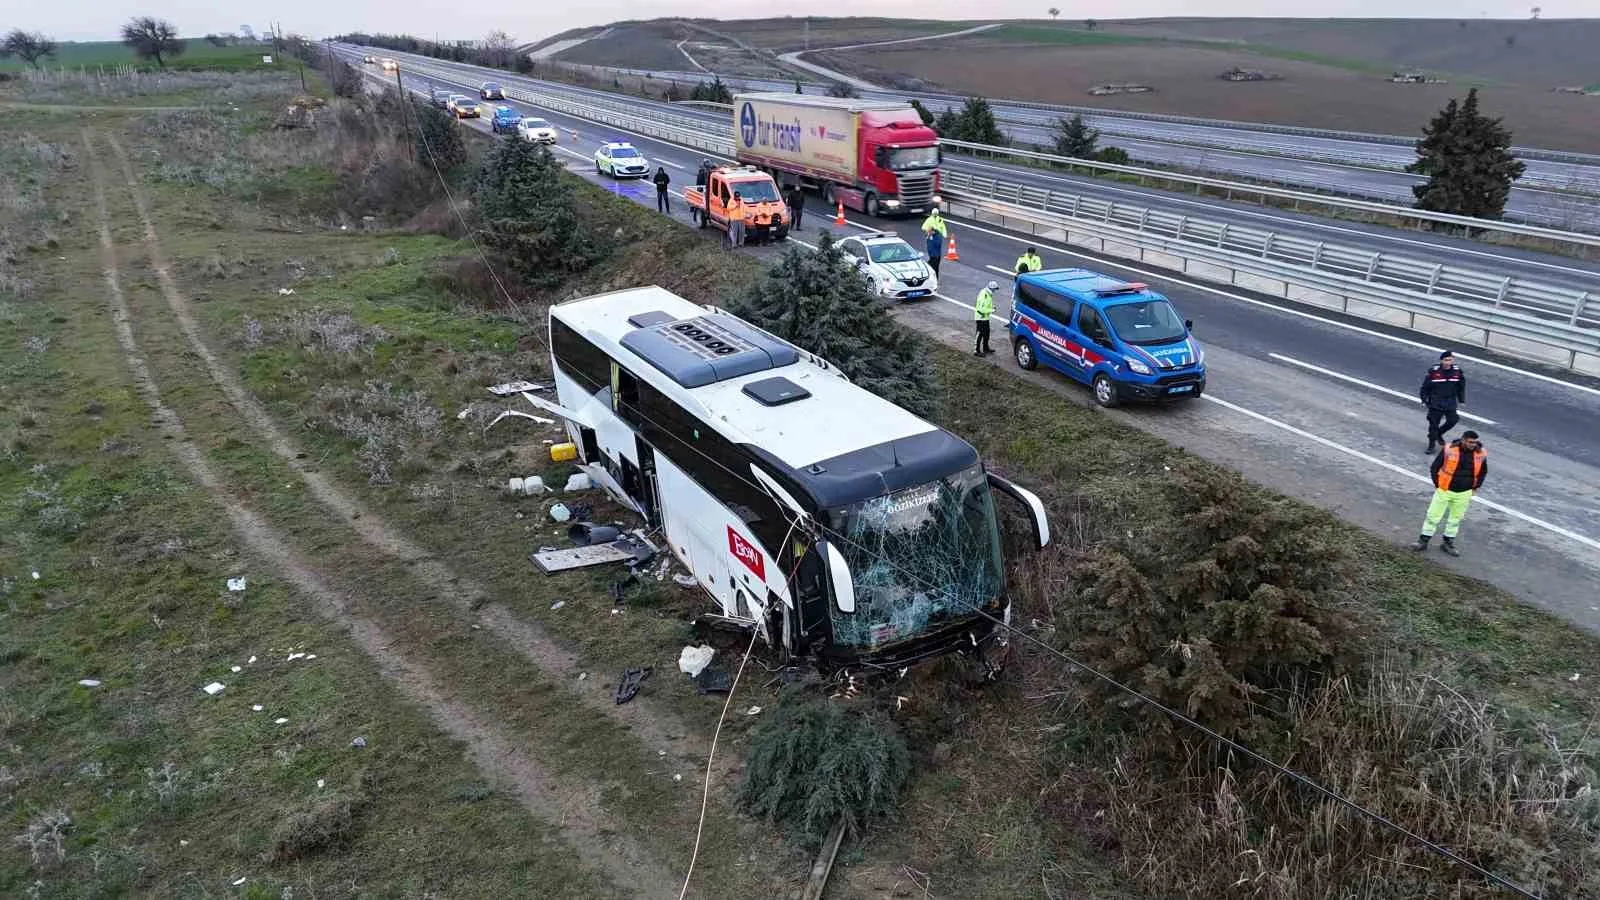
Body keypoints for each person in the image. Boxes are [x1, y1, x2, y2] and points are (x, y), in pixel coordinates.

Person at [1412, 430, 1487, 557]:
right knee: (1433, 516)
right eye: (1470, 442)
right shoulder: (1449, 450)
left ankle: (1448, 543)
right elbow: (1435, 467)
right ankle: (1423, 541)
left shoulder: (1481, 454)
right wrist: (1438, 485)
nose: (1473, 445)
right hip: (1445, 490)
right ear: (1463, 440)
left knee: (1455, 519)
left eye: (1474, 442)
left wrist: (1475, 487)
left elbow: (1483, 472)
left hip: (1464, 493)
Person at [1420, 349, 1467, 454]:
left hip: (1450, 401)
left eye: (1450, 360)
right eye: (1446, 360)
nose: (1448, 362)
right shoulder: (1434, 372)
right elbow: (1425, 387)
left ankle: (1439, 434)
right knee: (1433, 425)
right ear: (1441, 361)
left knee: (1453, 420)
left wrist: (1461, 400)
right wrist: (1424, 399)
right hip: (1436, 402)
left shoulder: (1457, 372)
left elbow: (1461, 387)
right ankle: (1431, 445)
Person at [921, 207, 948, 276]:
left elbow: (943, 227)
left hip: (938, 238)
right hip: (932, 239)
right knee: (934, 258)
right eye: (934, 214)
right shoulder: (929, 220)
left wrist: (944, 235)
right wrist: (930, 230)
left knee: (937, 259)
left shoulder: (940, 220)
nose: (935, 215)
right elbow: (923, 227)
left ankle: (935, 275)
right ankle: (928, 271)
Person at [974, 281, 997, 356]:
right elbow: (981, 309)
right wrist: (991, 310)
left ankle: (985, 348)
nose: (995, 291)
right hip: (981, 317)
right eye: (995, 289)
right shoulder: (984, 295)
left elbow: (986, 306)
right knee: (980, 333)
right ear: (992, 288)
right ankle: (976, 351)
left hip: (985, 317)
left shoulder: (988, 294)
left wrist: (991, 308)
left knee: (987, 333)